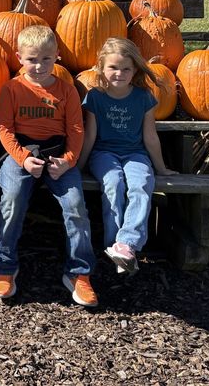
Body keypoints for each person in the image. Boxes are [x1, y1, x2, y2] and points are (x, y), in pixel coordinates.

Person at [0, 25, 97, 307]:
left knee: (75, 205)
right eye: (32, 59)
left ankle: (79, 273)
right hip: (21, 151)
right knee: (12, 199)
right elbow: (5, 130)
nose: (39, 66)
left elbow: (76, 129)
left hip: (58, 152)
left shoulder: (66, 91)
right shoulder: (11, 89)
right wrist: (23, 157)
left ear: (57, 57)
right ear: (19, 58)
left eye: (46, 59)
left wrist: (68, 161)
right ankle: (5, 266)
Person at [79, 37, 178, 275]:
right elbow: (90, 136)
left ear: (135, 70)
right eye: (113, 67)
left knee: (141, 183)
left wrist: (161, 168)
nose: (119, 73)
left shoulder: (144, 98)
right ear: (101, 67)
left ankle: (127, 245)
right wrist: (79, 165)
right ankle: (114, 245)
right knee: (112, 183)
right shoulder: (95, 97)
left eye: (126, 68)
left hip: (135, 153)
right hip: (103, 154)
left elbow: (150, 136)